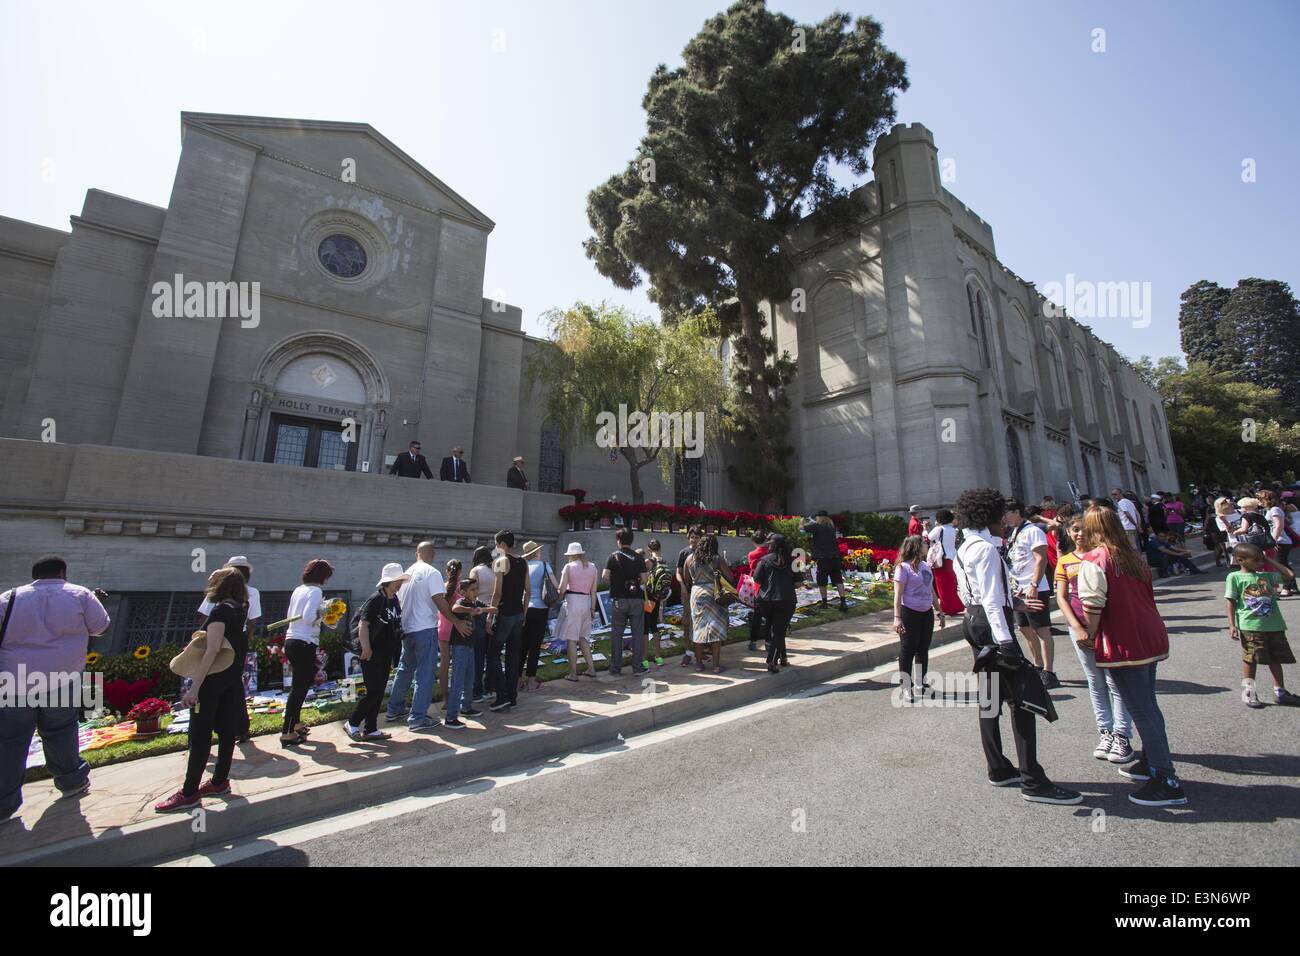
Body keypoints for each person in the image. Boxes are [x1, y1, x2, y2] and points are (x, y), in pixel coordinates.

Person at [952, 488, 1081, 805]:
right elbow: (993, 601)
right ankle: (1033, 780)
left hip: (974, 621)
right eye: (1000, 516)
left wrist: (1015, 602)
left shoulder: (965, 547)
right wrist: (1007, 642)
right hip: (992, 627)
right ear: (990, 517)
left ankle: (999, 768)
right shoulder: (984, 549)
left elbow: (971, 594)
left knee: (990, 698)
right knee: (1023, 701)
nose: (1004, 522)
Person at [1076, 506, 1187, 806]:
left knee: (1141, 708)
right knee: (1147, 702)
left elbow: (1093, 605)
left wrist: (1089, 634)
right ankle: (1151, 760)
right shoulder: (1133, 557)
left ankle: (1166, 778)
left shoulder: (1095, 560)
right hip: (1149, 633)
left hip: (1125, 640)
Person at [1, 556, 108, 823]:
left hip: (15, 679)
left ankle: (4, 804)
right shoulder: (79, 594)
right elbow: (101, 628)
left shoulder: (9, 598)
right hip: (61, 678)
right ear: (62, 572)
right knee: (60, 731)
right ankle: (70, 781)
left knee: (11, 741)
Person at [156, 566, 248, 812]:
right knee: (227, 730)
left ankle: (189, 792)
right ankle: (219, 781)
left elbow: (213, 649)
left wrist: (194, 686)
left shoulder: (220, 611)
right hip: (231, 678)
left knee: (200, 734)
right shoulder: (241, 609)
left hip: (213, 679)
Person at [1055, 513, 1135, 764]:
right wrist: (1077, 628)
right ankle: (1106, 731)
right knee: (1095, 682)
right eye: (1075, 529)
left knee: (1114, 681)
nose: (1079, 534)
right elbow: (1062, 597)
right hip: (1079, 627)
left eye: (1084, 529)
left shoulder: (1102, 557)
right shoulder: (1065, 561)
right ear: (1068, 532)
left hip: (1106, 626)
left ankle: (1122, 735)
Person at [389, 541, 465, 730]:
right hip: (425, 628)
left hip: (407, 629)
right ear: (433, 554)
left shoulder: (406, 574)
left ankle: (394, 709)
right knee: (425, 674)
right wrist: (456, 622)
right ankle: (417, 718)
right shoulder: (432, 573)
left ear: (417, 554)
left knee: (404, 669)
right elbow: (439, 601)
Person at [1225, 544, 1300, 708]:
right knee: (1250, 659)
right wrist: (1232, 624)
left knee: (1276, 657)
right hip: (1251, 626)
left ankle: (1280, 691)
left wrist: (1268, 559)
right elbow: (1230, 601)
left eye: (1261, 560)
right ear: (1241, 560)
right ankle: (1249, 692)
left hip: (1274, 625)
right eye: (1256, 560)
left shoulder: (1266, 576)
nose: (1260, 563)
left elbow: (1289, 575)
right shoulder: (1235, 577)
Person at [196, 555, 261, 742]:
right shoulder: (250, 593)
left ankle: (215, 727)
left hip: (218, 637)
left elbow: (203, 617)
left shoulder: (220, 593)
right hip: (236, 639)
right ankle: (239, 727)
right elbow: (253, 622)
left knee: (213, 682)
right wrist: (244, 642)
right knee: (234, 683)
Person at [343, 563, 409, 742]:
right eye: (397, 581)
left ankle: (371, 728)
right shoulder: (376, 599)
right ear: (388, 582)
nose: (400, 584)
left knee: (379, 691)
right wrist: (366, 648)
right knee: (373, 691)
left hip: (385, 652)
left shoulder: (394, 600)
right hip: (372, 653)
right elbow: (363, 624)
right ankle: (353, 723)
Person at [1004, 497, 1058, 689]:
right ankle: (1037, 665)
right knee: (1025, 629)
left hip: (1034, 588)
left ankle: (1049, 671)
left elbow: (1041, 558)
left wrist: (1034, 584)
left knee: (1041, 629)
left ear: (1017, 512)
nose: (1004, 517)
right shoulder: (1014, 532)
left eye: (1007, 513)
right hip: (1017, 589)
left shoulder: (1033, 530)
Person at [280, 558, 333, 747]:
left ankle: (295, 723)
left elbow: (291, 616)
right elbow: (310, 616)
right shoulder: (316, 591)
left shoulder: (298, 590)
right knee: (299, 687)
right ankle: (287, 731)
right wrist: (324, 610)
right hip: (305, 642)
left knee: (299, 684)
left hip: (291, 639)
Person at [487, 530, 529, 712]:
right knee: (513, 655)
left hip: (505, 613)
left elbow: (497, 593)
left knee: (493, 654)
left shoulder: (500, 561)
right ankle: (511, 696)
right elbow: (528, 591)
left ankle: (502, 695)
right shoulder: (523, 561)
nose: (496, 548)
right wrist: (524, 612)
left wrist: (490, 615)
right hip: (519, 613)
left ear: (502, 544)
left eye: (497, 544)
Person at [892, 535, 935, 702]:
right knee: (908, 648)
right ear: (917, 547)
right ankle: (906, 686)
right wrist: (897, 618)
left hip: (926, 612)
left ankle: (920, 683)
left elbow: (931, 590)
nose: (927, 546)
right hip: (909, 612)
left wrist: (939, 610)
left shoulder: (926, 566)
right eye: (924, 544)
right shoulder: (902, 568)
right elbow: (898, 595)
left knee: (923, 649)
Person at [445, 577, 491, 727]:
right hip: (460, 646)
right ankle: (451, 717)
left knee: (469, 680)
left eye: (476, 589)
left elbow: (494, 608)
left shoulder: (476, 603)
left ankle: (466, 707)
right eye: (472, 590)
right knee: (458, 681)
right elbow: (454, 609)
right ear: (463, 592)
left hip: (470, 646)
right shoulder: (462, 603)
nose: (475, 592)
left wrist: (482, 609)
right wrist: (470, 610)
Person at [684, 534, 734, 674]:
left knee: (698, 628)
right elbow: (730, 577)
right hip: (714, 593)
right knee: (715, 628)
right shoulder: (717, 559)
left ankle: (699, 664)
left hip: (696, 593)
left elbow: (687, 579)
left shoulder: (689, 559)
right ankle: (716, 666)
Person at [604, 527, 649, 677]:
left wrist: (617, 579)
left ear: (618, 541)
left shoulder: (613, 556)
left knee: (617, 634)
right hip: (636, 598)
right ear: (632, 540)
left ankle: (615, 668)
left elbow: (605, 576)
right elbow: (644, 579)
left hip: (619, 599)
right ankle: (637, 667)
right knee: (637, 634)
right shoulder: (638, 557)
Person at [753, 534, 798, 673]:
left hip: (766, 601)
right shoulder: (792, 562)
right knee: (779, 630)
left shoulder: (764, 560)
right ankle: (772, 661)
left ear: (771, 545)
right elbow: (799, 582)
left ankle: (783, 658)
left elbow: (756, 579)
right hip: (786, 600)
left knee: (778, 628)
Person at [557, 542, 598, 681]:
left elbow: (562, 589)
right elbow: (594, 591)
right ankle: (591, 668)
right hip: (586, 603)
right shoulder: (592, 567)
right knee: (583, 638)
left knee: (572, 640)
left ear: (571, 555)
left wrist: (556, 592)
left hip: (573, 602)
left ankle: (573, 673)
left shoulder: (568, 567)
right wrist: (593, 608)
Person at [521, 540, 559, 691]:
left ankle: (517, 680)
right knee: (535, 646)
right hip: (541, 608)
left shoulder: (522, 566)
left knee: (522, 646)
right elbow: (555, 585)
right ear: (535, 552)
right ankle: (531, 680)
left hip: (525, 608)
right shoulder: (544, 565)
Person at [801, 511, 847, 611]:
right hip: (835, 558)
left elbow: (802, 530)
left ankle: (824, 602)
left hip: (823, 558)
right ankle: (843, 603)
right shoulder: (831, 527)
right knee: (838, 579)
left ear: (819, 518)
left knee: (822, 581)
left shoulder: (817, 526)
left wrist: (802, 520)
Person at [926, 508, 964, 625]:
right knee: (951, 583)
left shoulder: (939, 529)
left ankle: (947, 607)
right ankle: (955, 605)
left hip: (941, 558)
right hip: (952, 557)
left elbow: (928, 538)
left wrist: (925, 529)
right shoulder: (953, 529)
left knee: (941, 584)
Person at [469, 545, 496, 701]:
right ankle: (490, 686)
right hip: (493, 613)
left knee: (478, 655)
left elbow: (472, 593)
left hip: (479, 613)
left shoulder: (476, 571)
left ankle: (476, 690)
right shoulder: (494, 571)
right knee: (491, 653)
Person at [437, 559, 462, 707]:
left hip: (443, 627)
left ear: (447, 571)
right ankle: (457, 697)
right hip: (457, 627)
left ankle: (445, 699)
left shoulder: (441, 587)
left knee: (444, 665)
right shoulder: (462, 587)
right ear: (460, 572)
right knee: (459, 665)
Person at [676, 527, 702, 667]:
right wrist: (682, 586)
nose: (694, 540)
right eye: (692, 537)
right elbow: (678, 572)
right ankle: (688, 652)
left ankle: (701, 650)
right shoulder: (684, 553)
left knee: (700, 622)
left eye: (696, 537)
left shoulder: (704, 553)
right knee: (687, 622)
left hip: (701, 593)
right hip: (688, 592)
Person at [643, 539, 671, 668]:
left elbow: (642, 579)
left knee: (644, 628)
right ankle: (658, 657)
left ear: (649, 550)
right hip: (657, 598)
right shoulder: (664, 561)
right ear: (660, 548)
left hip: (647, 598)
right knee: (654, 626)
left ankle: (645, 659)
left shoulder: (649, 562)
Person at [1259, 490, 1294, 594]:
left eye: (1260, 498)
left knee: (1280, 565)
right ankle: (1291, 586)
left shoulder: (1275, 510)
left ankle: (1287, 588)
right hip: (1277, 540)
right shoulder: (1270, 510)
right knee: (1281, 564)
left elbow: (1279, 526)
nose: (1258, 501)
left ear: (1266, 499)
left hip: (1280, 541)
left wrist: (1272, 542)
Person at [745, 530, 771, 652]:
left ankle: (753, 642)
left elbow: (752, 569)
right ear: (765, 540)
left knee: (757, 616)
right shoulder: (770, 552)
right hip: (770, 586)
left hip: (757, 587)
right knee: (770, 616)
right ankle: (768, 641)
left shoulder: (752, 554)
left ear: (754, 542)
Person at [1214, 497, 1244, 568]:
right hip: (1236, 542)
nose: (1229, 502)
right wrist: (1225, 520)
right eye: (1225, 502)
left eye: (1228, 501)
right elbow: (1229, 531)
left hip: (1248, 539)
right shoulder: (1219, 518)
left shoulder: (1241, 512)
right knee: (1242, 564)